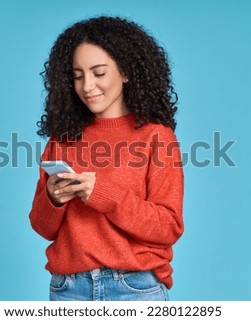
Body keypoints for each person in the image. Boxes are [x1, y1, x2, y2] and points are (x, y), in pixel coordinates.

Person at [29, 16, 184, 301]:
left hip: (134, 288)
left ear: (126, 72)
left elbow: (168, 227)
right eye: (78, 76)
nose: (87, 86)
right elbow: (43, 227)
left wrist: (101, 194)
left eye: (98, 73)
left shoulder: (156, 137)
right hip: (68, 290)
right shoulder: (62, 139)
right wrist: (53, 199)